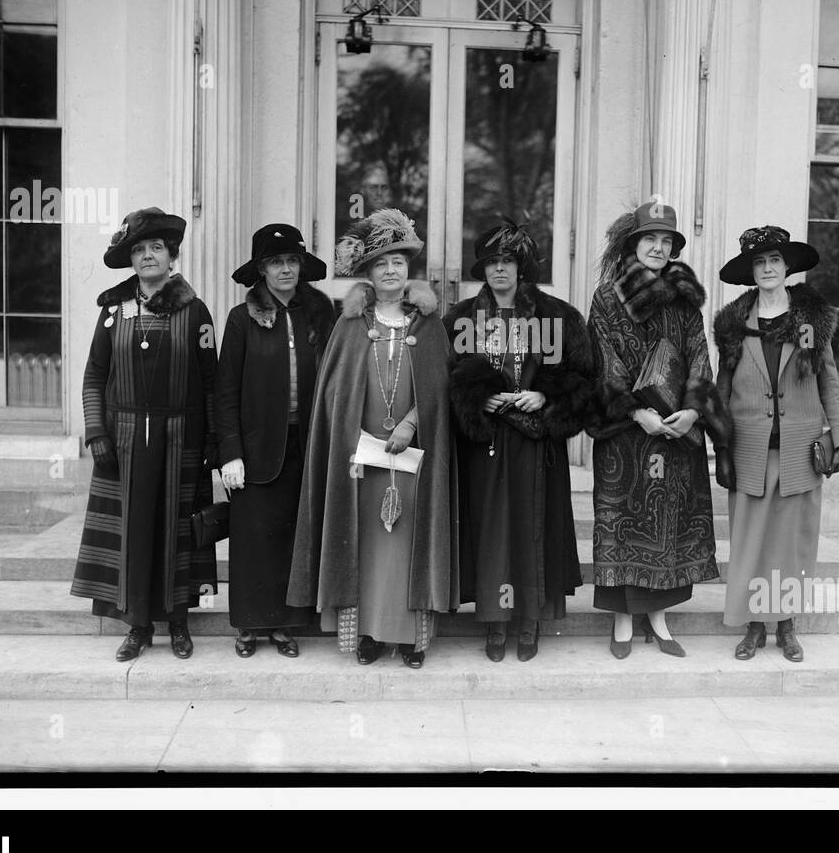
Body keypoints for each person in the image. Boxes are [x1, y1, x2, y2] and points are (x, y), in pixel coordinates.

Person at [288, 209, 459, 669]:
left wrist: (409, 424)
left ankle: (409, 639)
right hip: (360, 458)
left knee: (407, 542)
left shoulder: (429, 325)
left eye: (399, 263)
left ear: (409, 271)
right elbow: (334, 394)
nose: (391, 271)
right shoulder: (349, 326)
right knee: (363, 542)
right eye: (382, 264)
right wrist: (351, 437)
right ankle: (366, 633)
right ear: (368, 272)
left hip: (414, 455)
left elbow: (442, 390)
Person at [71, 207, 219, 661]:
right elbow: (95, 374)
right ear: (131, 260)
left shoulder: (196, 312)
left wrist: (213, 442)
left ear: (171, 256)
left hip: (180, 440)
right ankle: (136, 626)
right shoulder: (113, 310)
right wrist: (97, 432)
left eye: (157, 247)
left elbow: (212, 381)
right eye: (140, 249)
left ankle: (177, 622)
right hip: (126, 440)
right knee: (133, 531)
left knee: (176, 530)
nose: (149, 255)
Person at [443, 219, 593, 662]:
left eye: (507, 261)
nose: (500, 271)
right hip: (485, 444)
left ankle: (529, 624)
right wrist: (475, 399)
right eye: (492, 263)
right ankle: (495, 623)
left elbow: (583, 378)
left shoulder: (558, 317)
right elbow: (442, 380)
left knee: (531, 528)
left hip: (535, 442)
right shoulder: (461, 319)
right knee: (492, 531)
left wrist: (545, 395)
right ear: (483, 270)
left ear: (521, 265)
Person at [586, 200, 723, 659]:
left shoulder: (685, 300)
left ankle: (659, 620)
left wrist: (691, 410)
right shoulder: (607, 297)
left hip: (676, 432)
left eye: (667, 242)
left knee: (669, 521)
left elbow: (699, 356)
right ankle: (624, 623)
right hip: (627, 433)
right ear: (633, 244)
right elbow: (602, 360)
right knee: (625, 519)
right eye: (651, 239)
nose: (659, 248)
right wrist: (634, 412)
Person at [713, 225, 839, 662]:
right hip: (751, 448)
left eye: (774, 260)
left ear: (787, 266)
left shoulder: (808, 320)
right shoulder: (735, 324)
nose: (768, 268)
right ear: (750, 271)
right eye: (759, 262)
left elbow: (827, 379)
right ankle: (755, 626)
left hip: (800, 450)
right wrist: (719, 447)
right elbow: (721, 388)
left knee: (792, 544)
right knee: (751, 541)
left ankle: (787, 627)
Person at [215, 224, 337, 658]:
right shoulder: (241, 318)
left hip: (308, 443)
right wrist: (230, 452)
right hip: (255, 446)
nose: (285, 269)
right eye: (275, 262)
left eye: (291, 261)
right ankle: (249, 625)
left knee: (292, 536)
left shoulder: (322, 312)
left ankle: (285, 626)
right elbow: (225, 389)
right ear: (261, 270)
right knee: (252, 537)